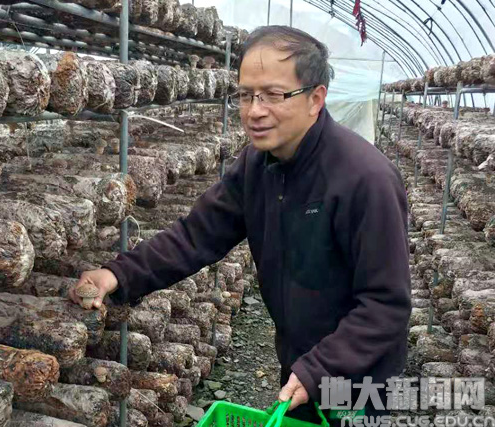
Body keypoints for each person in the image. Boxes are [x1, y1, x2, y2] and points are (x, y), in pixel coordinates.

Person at [70, 25, 411, 424]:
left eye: (273, 95)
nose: (254, 111)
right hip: (301, 361)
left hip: (357, 376)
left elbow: (386, 305)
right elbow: (196, 235)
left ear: (315, 99)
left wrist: (320, 368)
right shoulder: (258, 164)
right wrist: (119, 274)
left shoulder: (366, 179)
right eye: (246, 95)